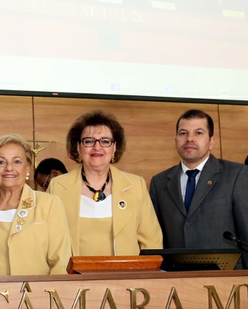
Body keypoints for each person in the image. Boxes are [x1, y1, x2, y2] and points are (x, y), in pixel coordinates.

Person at [47, 109, 162, 256]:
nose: (97, 147)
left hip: (125, 276)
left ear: (114, 148)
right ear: (78, 147)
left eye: (105, 141)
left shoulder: (136, 186)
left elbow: (152, 242)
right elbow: (48, 240)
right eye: (89, 141)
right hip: (72, 277)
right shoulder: (57, 187)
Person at [150, 109, 248, 269]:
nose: (189, 138)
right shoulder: (159, 182)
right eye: (183, 133)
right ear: (175, 140)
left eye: (198, 133)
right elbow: (157, 238)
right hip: (177, 280)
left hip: (227, 279)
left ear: (212, 141)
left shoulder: (236, 175)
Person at [0, 135, 71, 276]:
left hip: (35, 296)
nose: (9, 168)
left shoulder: (49, 204)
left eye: (17, 161)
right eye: (1, 162)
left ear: (27, 167)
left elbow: (61, 263)